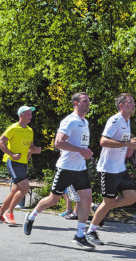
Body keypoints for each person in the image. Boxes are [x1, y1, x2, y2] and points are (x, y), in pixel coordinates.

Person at [22, 93, 94, 249]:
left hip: (80, 168)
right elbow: (58, 143)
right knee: (53, 200)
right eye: (85, 101)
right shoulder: (69, 121)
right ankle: (31, 215)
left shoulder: (85, 122)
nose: (88, 103)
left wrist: (85, 152)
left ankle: (80, 235)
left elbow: (79, 144)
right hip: (66, 168)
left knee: (87, 200)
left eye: (89, 101)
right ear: (76, 103)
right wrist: (81, 150)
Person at [89, 93, 136, 243]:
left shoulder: (127, 121)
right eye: (130, 102)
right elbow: (103, 141)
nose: (133, 104)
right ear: (121, 106)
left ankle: (100, 207)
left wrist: (131, 145)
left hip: (120, 168)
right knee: (109, 202)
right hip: (108, 169)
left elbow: (122, 143)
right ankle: (90, 231)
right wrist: (126, 144)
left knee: (131, 198)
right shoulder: (115, 120)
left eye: (133, 102)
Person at [0, 105, 42, 225]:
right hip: (13, 162)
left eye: (31, 114)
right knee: (25, 188)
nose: (31, 116)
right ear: (21, 115)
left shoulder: (30, 130)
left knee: (15, 190)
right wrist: (11, 154)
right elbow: (0, 142)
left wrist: (35, 150)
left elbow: (30, 148)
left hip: (23, 163)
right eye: (28, 114)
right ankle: (9, 212)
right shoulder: (13, 128)